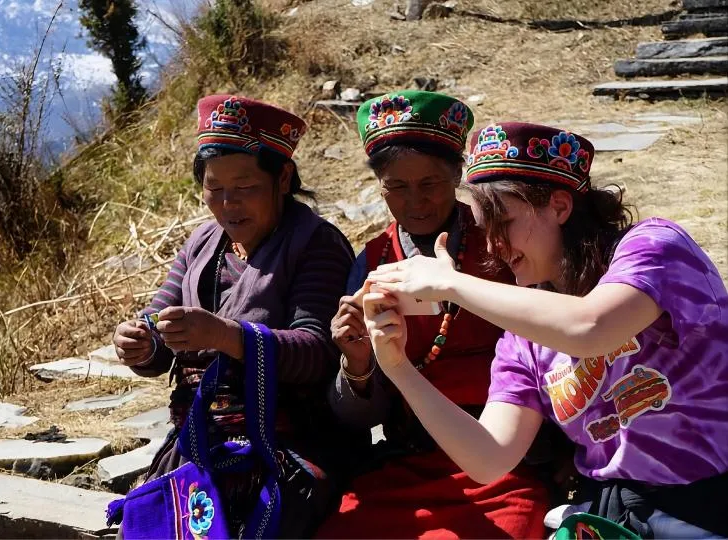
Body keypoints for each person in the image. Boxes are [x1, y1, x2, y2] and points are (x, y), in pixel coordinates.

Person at [363, 121, 728, 538]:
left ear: (559, 206)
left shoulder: (656, 247)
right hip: (608, 514)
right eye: (485, 230)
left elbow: (592, 326)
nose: (494, 246)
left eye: (504, 224)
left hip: (705, 502)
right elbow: (488, 457)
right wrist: (397, 369)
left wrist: (452, 284)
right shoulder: (523, 335)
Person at [111, 95, 355, 537]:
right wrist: (142, 341)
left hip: (288, 446)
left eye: (244, 187)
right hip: (199, 443)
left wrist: (226, 335)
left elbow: (319, 350)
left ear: (282, 178)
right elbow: (159, 323)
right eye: (214, 188)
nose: (227, 203)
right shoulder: (203, 243)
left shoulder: (315, 244)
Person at [316, 92, 551, 539]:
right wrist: (358, 363)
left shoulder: (501, 244)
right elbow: (357, 415)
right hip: (410, 458)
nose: (415, 202)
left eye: (431, 183)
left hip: (504, 456)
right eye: (397, 188)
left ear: (458, 175)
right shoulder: (373, 262)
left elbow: (550, 341)